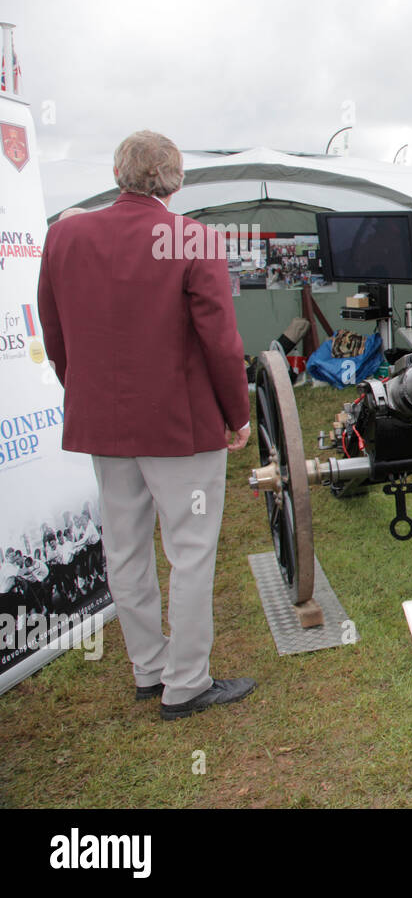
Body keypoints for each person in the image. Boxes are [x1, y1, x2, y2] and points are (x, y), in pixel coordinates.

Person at [37, 130, 254, 720]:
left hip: (104, 424)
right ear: (176, 180)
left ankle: (148, 668)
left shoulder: (65, 234)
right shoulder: (191, 238)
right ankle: (185, 683)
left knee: (125, 549)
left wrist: (80, 389)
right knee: (189, 551)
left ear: (116, 171)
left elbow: (54, 332)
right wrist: (237, 414)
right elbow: (220, 340)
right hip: (179, 428)